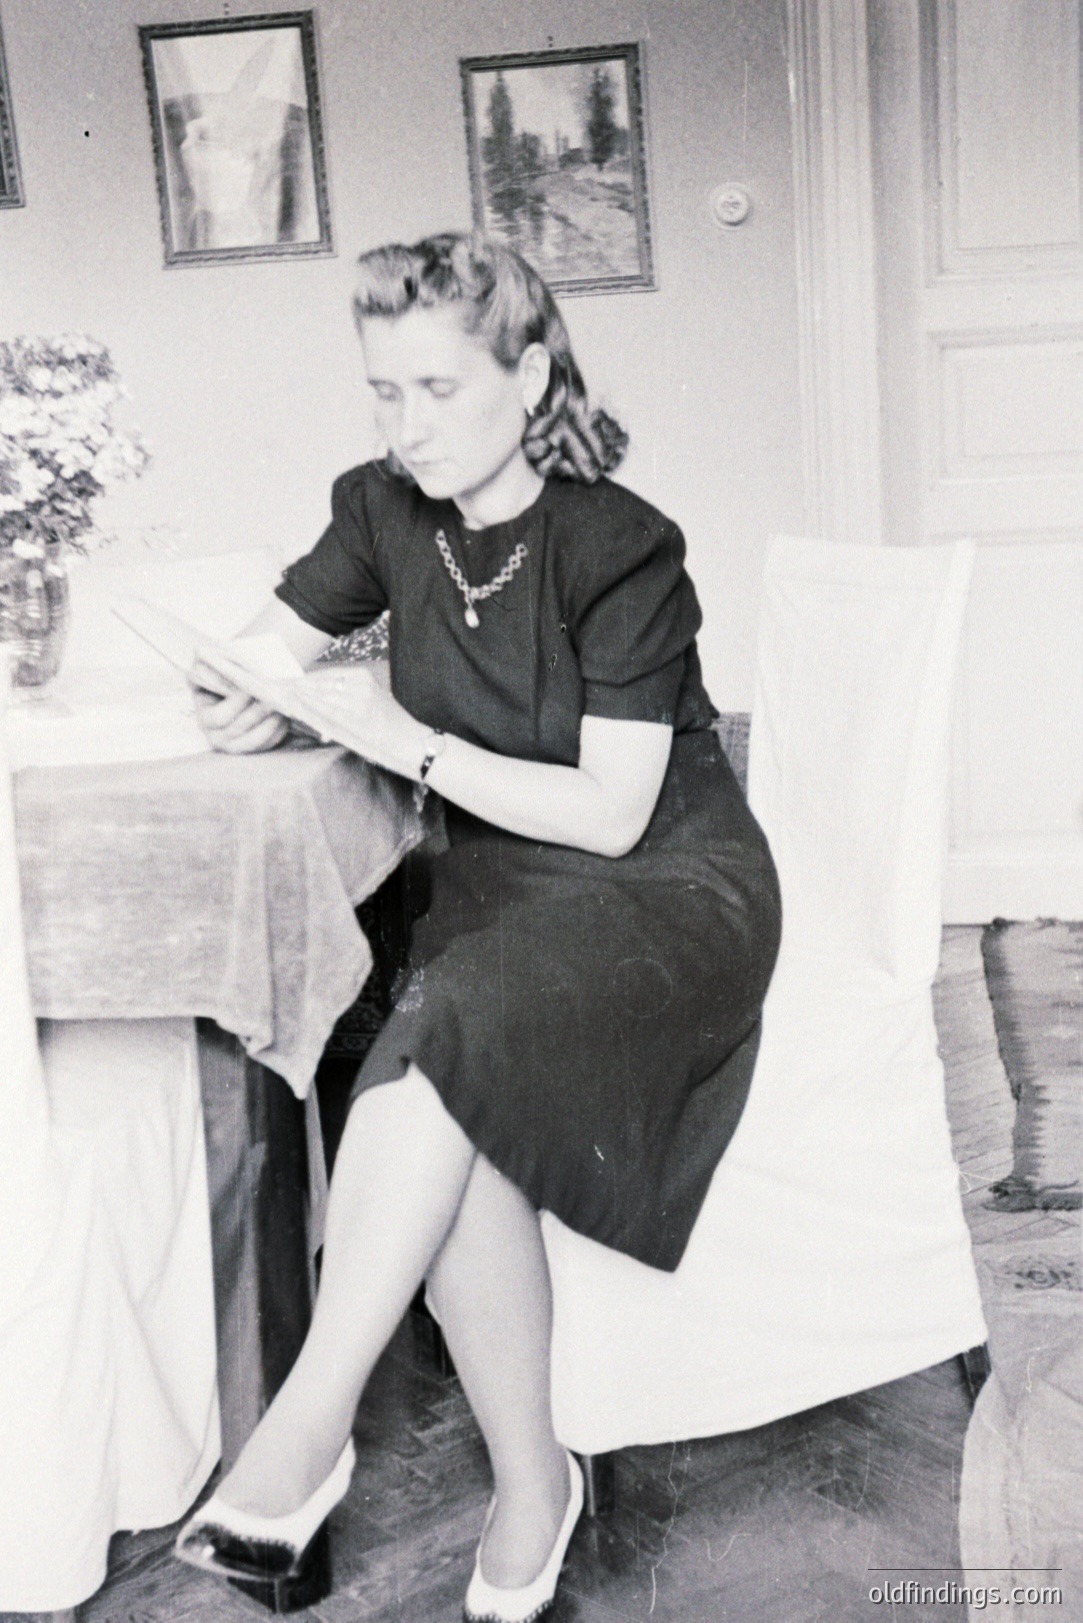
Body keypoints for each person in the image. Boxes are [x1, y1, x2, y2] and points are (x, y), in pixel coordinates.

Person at [175, 231, 782, 1622]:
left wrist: (404, 735)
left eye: (439, 389)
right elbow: (263, 647)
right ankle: (532, 1480)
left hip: (666, 888)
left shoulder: (623, 543)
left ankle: (300, 1438)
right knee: (448, 1073)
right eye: (385, 392)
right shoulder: (379, 508)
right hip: (505, 892)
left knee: (435, 1044)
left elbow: (618, 817)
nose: (409, 425)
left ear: (529, 369)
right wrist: (245, 694)